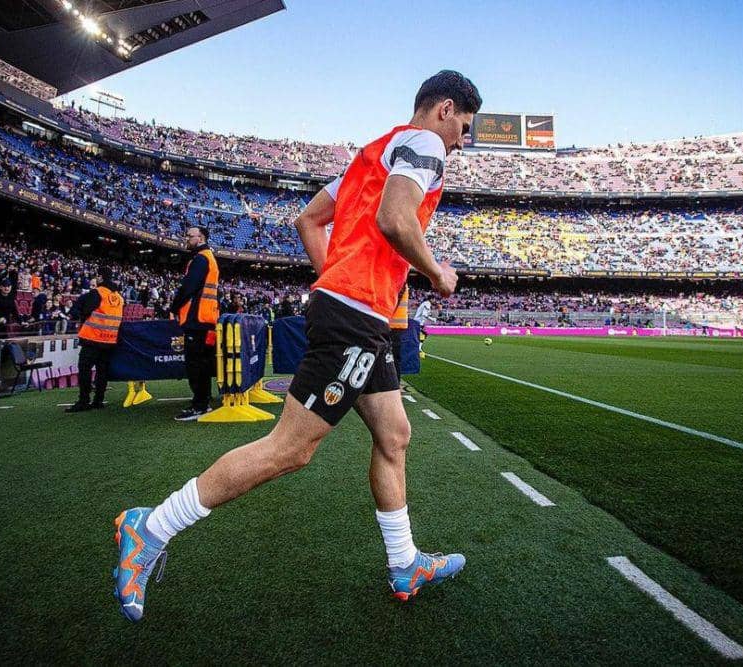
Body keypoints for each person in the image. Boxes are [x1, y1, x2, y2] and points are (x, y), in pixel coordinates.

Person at [111, 70, 480, 621]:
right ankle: (151, 526)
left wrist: (337, 280)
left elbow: (309, 220)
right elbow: (396, 219)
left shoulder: (373, 153)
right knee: (291, 448)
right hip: (356, 316)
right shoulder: (426, 144)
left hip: (359, 313)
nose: (462, 142)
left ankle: (405, 561)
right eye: (465, 128)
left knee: (395, 434)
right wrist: (436, 273)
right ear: (445, 109)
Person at [170, 225, 219, 421]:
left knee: (196, 364)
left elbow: (188, 287)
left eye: (190, 236)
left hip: (197, 319)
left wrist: (174, 307)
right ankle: (202, 402)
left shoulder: (201, 259)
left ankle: (200, 405)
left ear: (201, 238)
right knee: (202, 363)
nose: (186, 239)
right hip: (205, 319)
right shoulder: (208, 258)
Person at [66, 269, 123, 412]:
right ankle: (98, 401)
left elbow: (84, 311)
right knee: (102, 371)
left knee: (84, 369)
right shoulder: (119, 298)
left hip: (92, 339)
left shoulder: (97, 293)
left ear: (101, 277)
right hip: (109, 341)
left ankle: (84, 401)